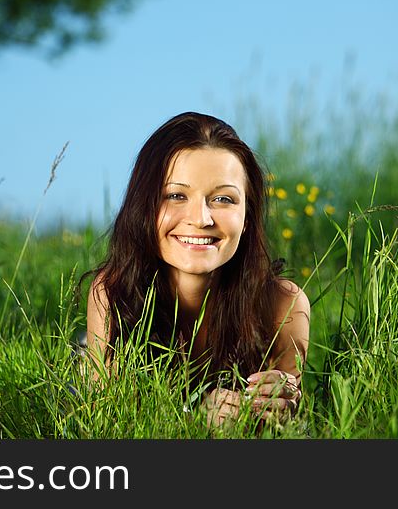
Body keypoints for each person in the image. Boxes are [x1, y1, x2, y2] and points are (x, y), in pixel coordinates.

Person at [84, 111, 310, 429]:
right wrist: (195, 420)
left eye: (223, 199)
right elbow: (107, 422)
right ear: (144, 207)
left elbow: (289, 423)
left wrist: (279, 408)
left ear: (247, 216)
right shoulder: (112, 292)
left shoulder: (284, 304)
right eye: (176, 195)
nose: (201, 218)